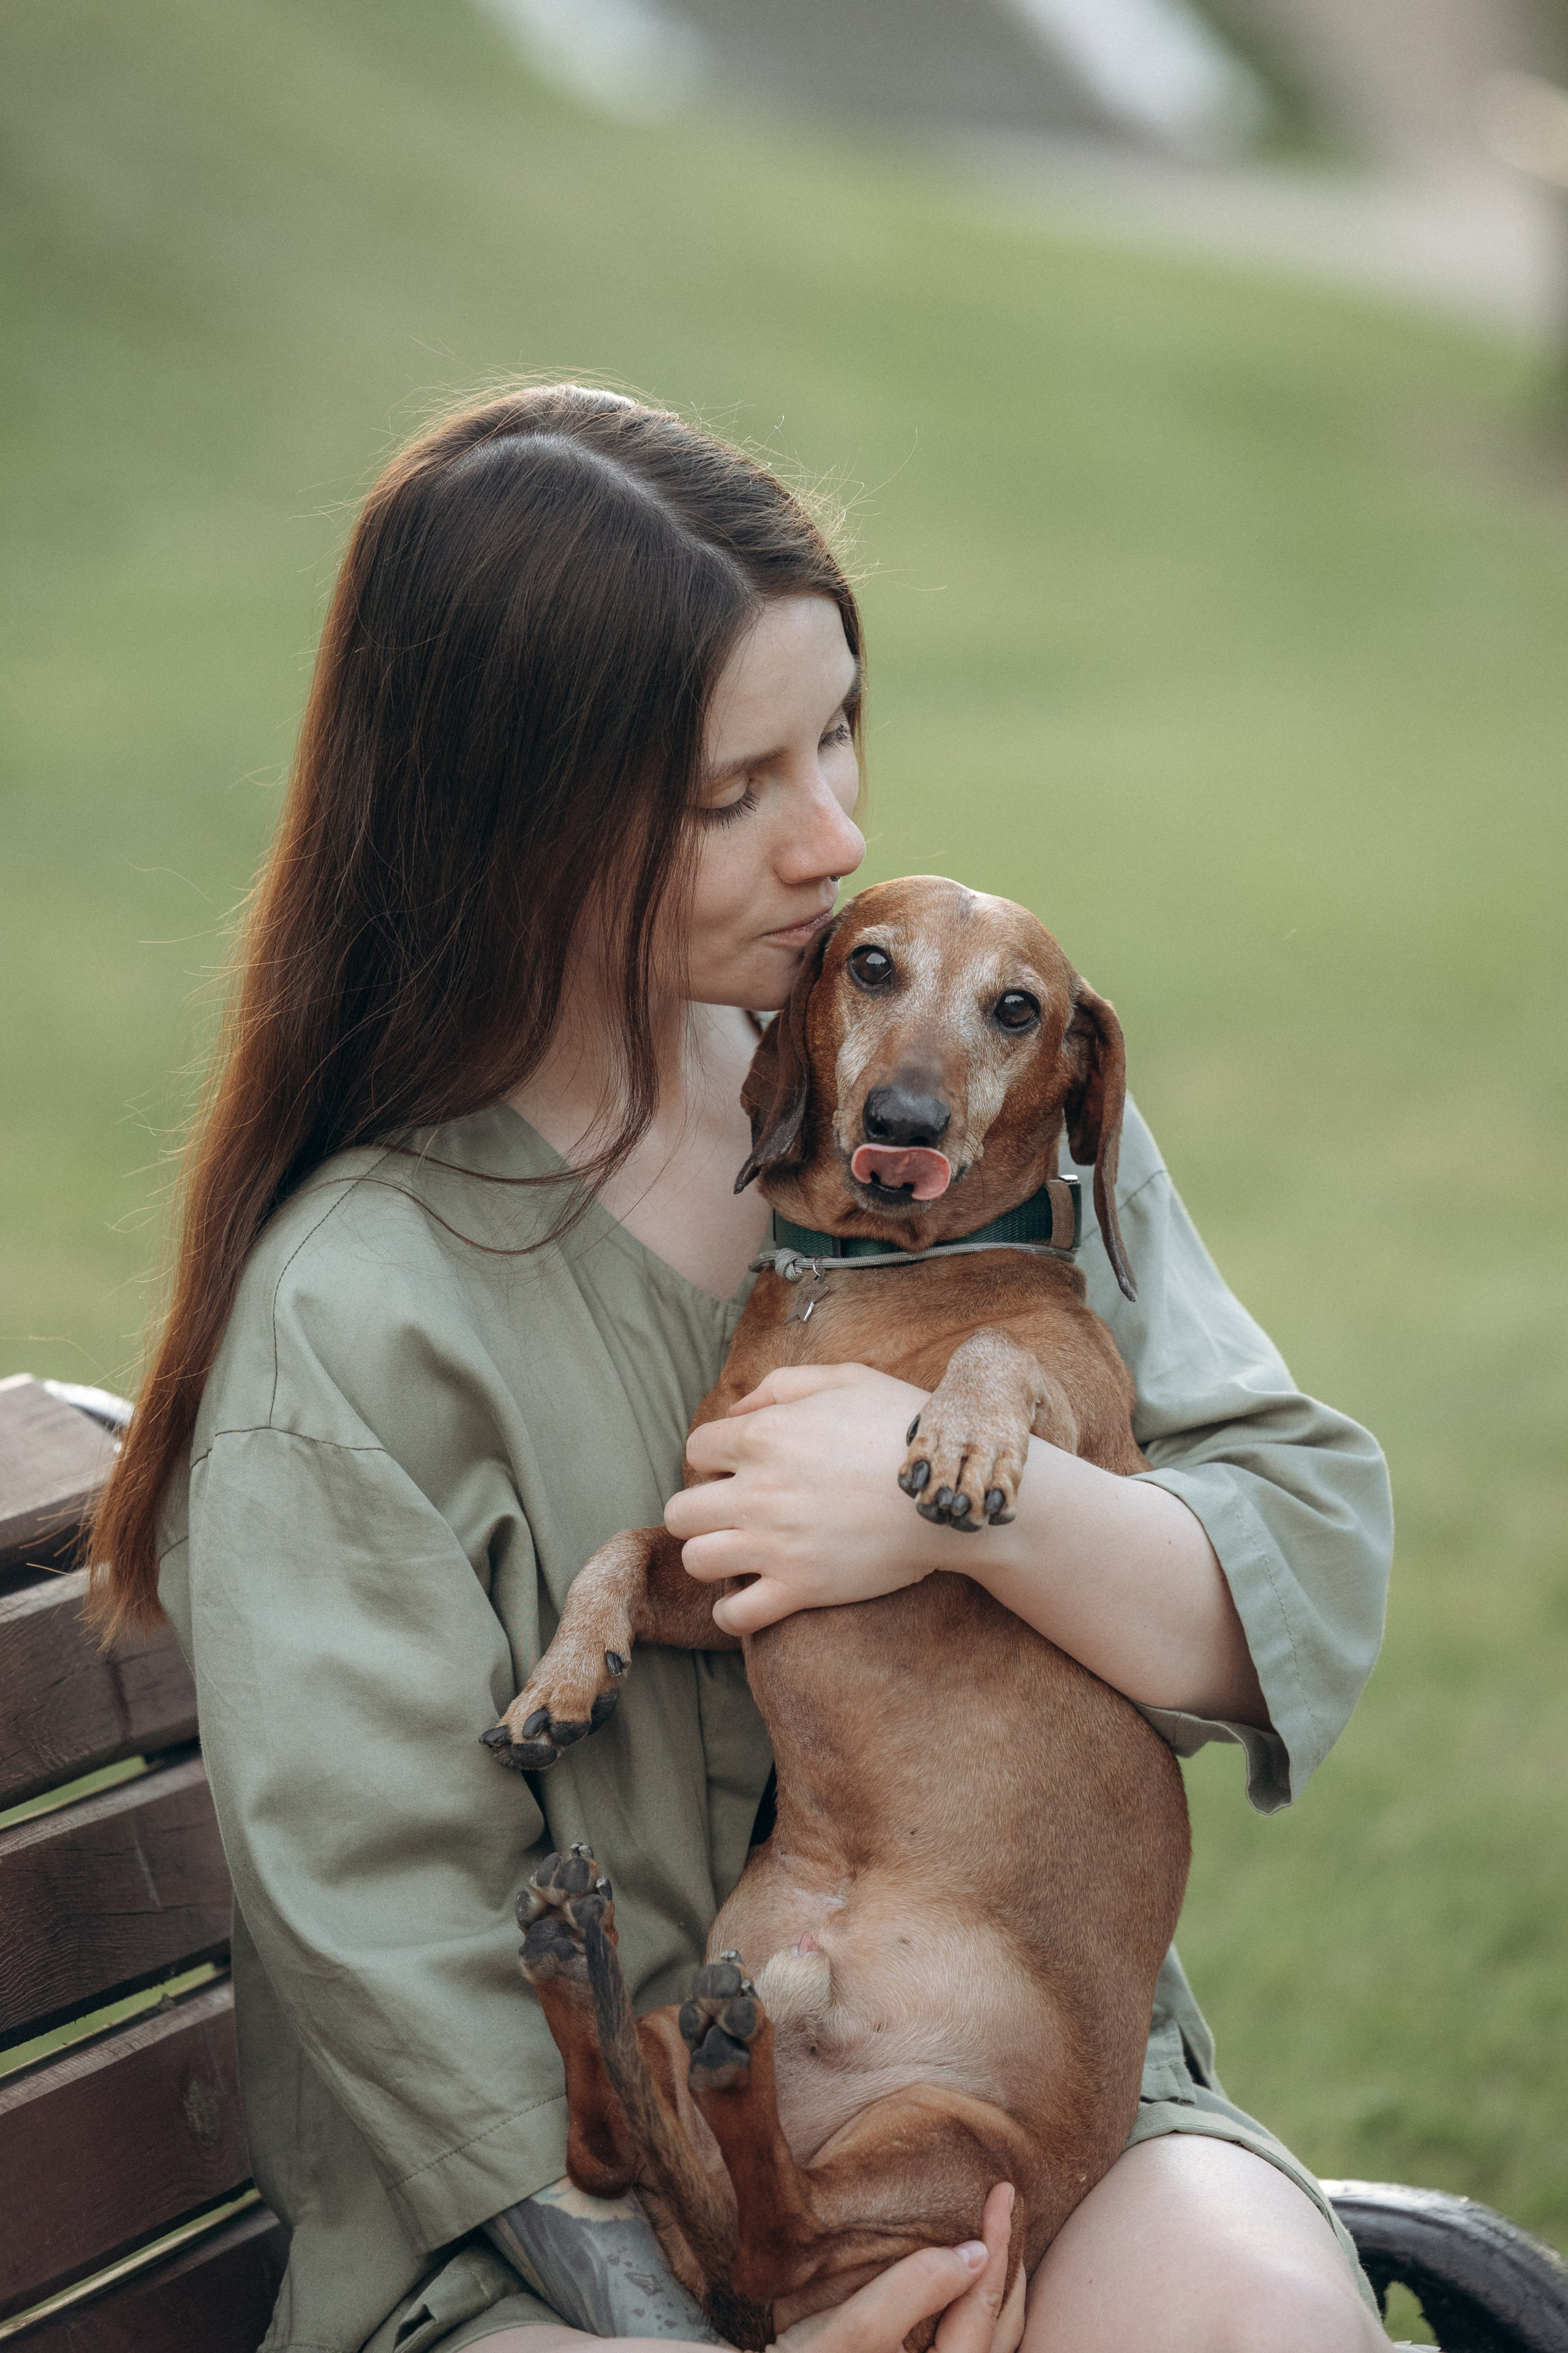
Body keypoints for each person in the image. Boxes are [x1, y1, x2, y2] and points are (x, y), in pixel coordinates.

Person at [92, 384, 1393, 2353]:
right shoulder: (353, 1315)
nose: (837, 837)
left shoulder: (960, 1106)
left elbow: (1293, 1556)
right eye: (734, 794)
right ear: (519, 824)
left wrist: (965, 1510)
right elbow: (405, 1963)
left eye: (840, 729)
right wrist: (731, 2322)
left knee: (1247, 2318)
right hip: (563, 2243)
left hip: (1006, 2102)